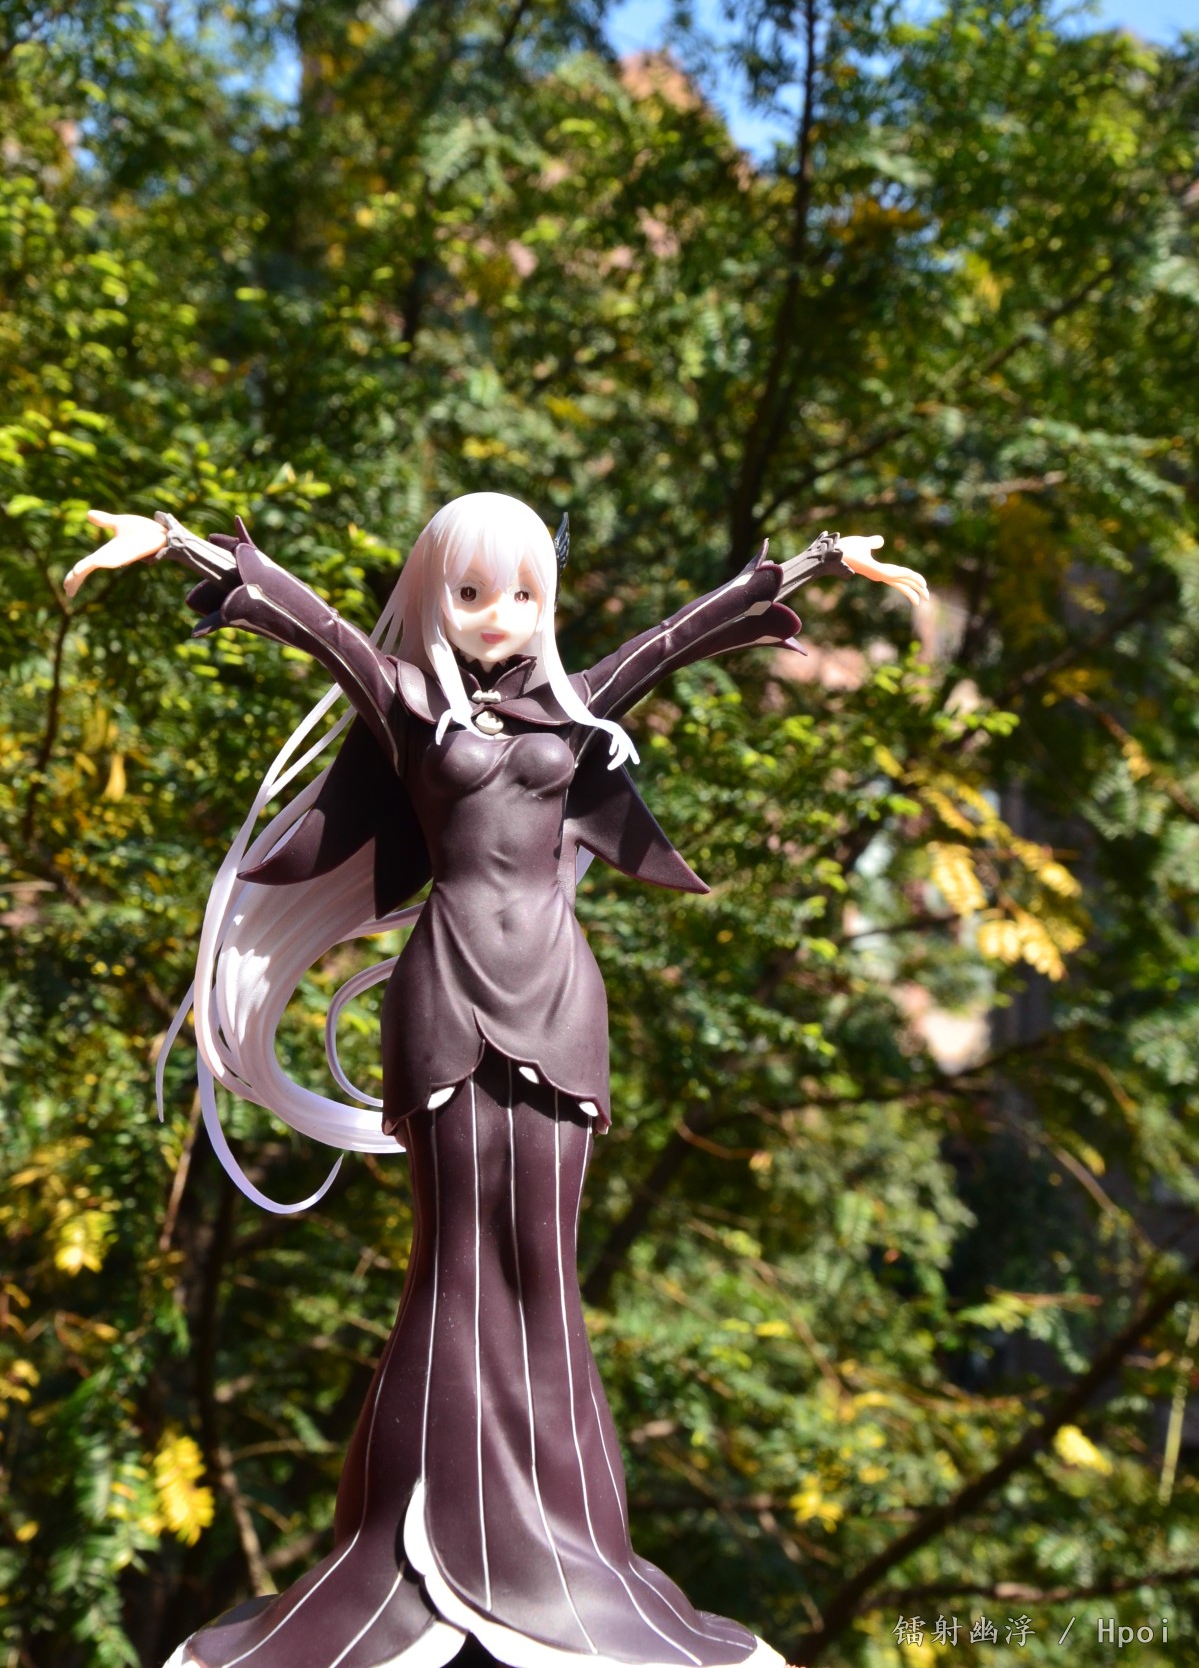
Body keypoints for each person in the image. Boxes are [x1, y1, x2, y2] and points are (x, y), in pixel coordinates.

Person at [66, 495, 928, 1668]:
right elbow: (316, 624)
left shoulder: (570, 706)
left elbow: (675, 637)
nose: (497, 614)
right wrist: (175, 542)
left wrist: (821, 560)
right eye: (471, 591)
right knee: (453, 1255)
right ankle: (412, 1542)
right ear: (435, 592)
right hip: (445, 998)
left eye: (522, 592)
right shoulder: (409, 704)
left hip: (561, 1001)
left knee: (544, 1263)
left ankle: (567, 1546)